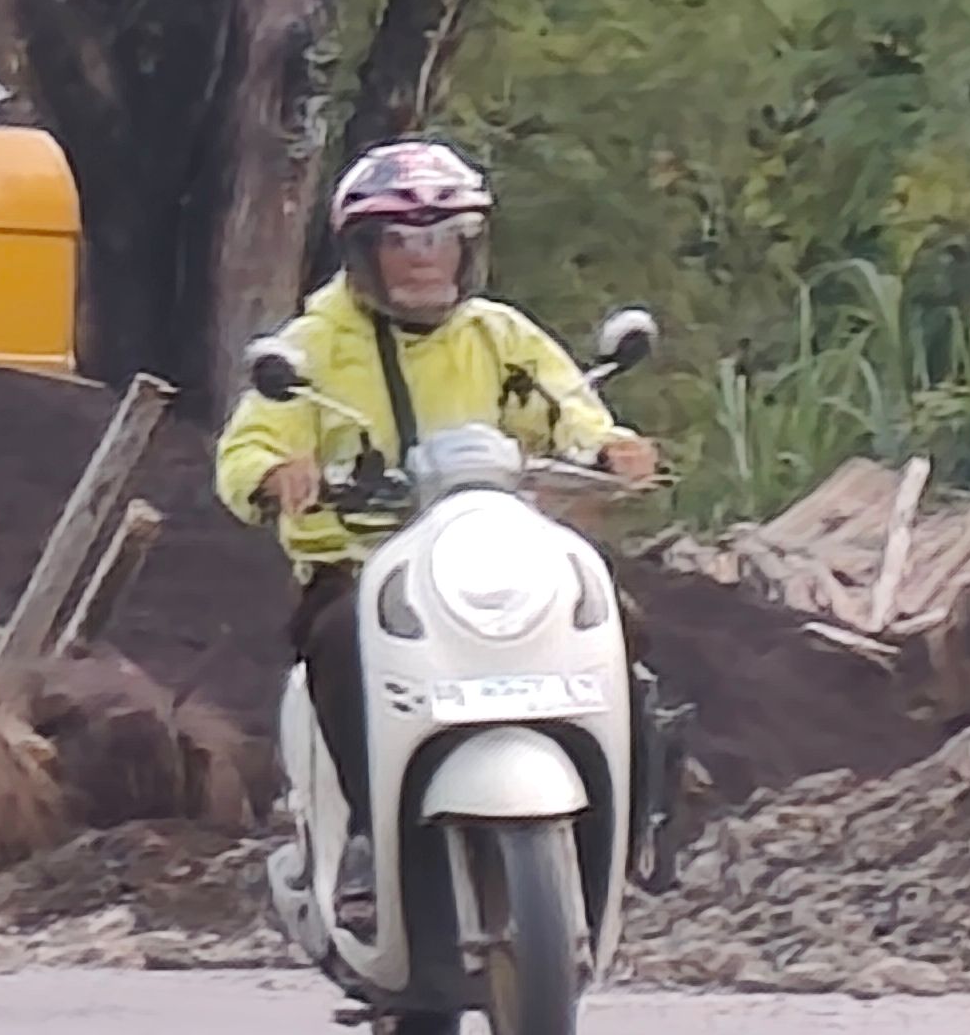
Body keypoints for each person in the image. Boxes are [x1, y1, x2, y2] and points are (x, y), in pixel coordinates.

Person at [209, 139, 658, 922]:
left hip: (493, 562)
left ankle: (632, 825)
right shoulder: (313, 347)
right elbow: (251, 444)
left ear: (469, 247)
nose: (424, 260)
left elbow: (569, 408)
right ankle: (364, 845)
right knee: (343, 641)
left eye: (442, 238)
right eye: (401, 241)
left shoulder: (499, 337)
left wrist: (609, 448)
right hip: (364, 566)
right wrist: (277, 474)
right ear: (363, 252)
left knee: (620, 626)